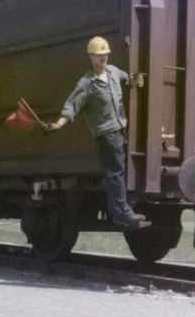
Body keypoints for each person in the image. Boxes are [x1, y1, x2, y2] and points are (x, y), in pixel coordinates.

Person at [43, 36, 151, 230]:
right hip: (106, 133)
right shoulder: (86, 83)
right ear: (91, 56)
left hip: (120, 130)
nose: (104, 57)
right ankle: (122, 213)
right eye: (99, 55)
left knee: (116, 172)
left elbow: (128, 81)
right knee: (116, 173)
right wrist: (59, 124)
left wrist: (136, 80)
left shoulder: (114, 72)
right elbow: (71, 105)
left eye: (106, 54)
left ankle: (119, 212)